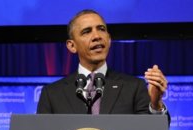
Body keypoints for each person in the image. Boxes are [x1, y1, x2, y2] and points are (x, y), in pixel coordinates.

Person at [37, 9, 168, 115]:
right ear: (72, 46)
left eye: (101, 29)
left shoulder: (133, 87)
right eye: (86, 32)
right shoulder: (52, 94)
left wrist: (156, 105)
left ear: (109, 39)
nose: (97, 36)